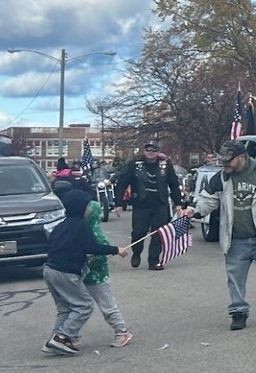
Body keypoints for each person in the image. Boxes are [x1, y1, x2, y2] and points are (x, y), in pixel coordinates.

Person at [190, 138, 256, 330]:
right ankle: (238, 312)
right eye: (222, 161)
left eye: (228, 160)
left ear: (241, 157)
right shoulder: (222, 177)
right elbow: (208, 200)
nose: (224, 164)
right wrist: (194, 210)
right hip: (235, 239)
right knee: (235, 279)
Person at [41, 185, 121, 357]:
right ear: (81, 208)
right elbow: (93, 247)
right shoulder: (81, 226)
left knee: (65, 308)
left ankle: (55, 340)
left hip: (49, 270)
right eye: (86, 206)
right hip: (66, 272)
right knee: (84, 305)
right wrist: (116, 250)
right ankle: (62, 336)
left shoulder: (60, 226)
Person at [114, 140, 178, 270]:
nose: (150, 152)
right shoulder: (134, 165)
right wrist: (119, 203)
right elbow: (122, 183)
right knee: (138, 233)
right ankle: (136, 253)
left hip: (160, 204)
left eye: (154, 150)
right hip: (141, 205)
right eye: (148, 150)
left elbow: (174, 184)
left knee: (158, 234)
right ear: (144, 151)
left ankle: (154, 261)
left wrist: (178, 203)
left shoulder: (165, 165)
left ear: (158, 152)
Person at [82, 193, 133, 348]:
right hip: (83, 275)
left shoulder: (96, 234)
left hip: (97, 277)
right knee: (77, 305)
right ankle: (72, 334)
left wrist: (89, 259)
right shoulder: (83, 230)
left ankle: (122, 331)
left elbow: (101, 254)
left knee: (107, 306)